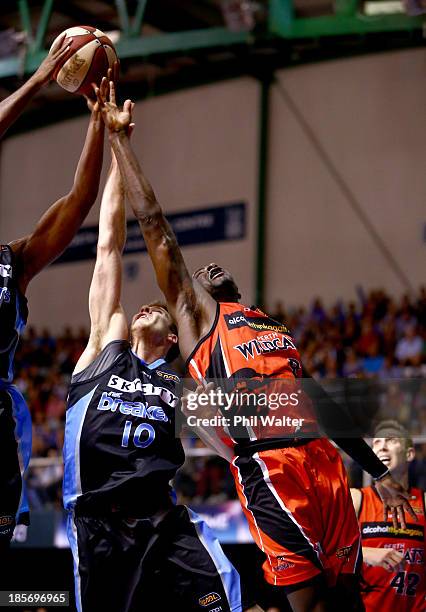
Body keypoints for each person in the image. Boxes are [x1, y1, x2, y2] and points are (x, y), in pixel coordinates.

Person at [94, 80, 415, 612]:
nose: (209, 269)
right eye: (199, 274)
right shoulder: (202, 319)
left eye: (218, 271)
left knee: (347, 598)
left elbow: (325, 405)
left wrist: (378, 474)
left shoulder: (272, 326)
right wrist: (121, 142)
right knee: (306, 603)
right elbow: (155, 226)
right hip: (271, 466)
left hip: (323, 460)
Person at [63, 137, 259, 612]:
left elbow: (235, 445)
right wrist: (116, 148)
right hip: (99, 523)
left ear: (173, 340)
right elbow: (108, 245)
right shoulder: (101, 350)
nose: (148, 307)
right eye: (143, 306)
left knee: (230, 598)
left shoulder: (179, 386)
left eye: (159, 311)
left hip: (164, 520)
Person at [0, 43, 106, 554]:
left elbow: (79, 200)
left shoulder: (13, 263)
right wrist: (39, 79)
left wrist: (99, 118)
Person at [351, 420, 425, 611]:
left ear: (409, 453)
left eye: (391, 440)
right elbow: (325, 553)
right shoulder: (356, 499)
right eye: (376, 443)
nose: (382, 446)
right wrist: (365, 553)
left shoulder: (424, 502)